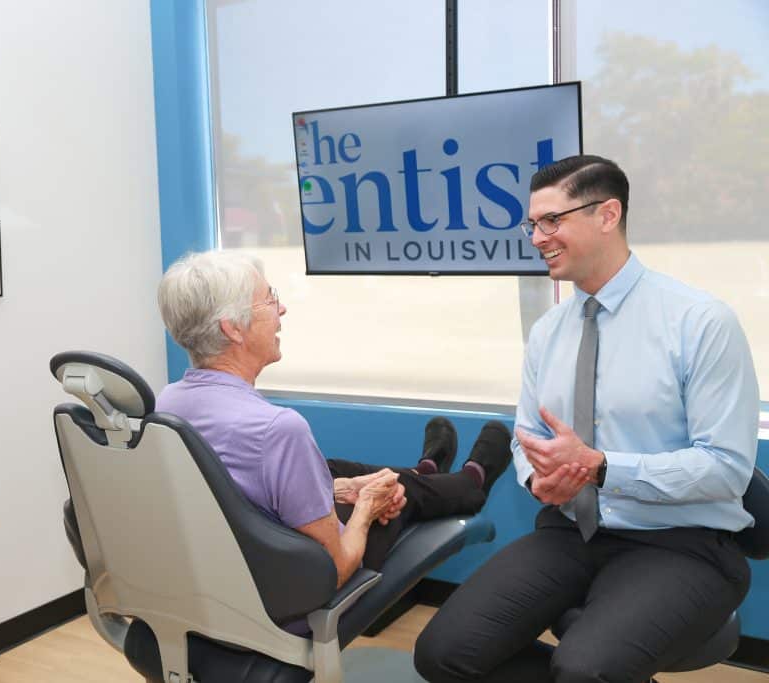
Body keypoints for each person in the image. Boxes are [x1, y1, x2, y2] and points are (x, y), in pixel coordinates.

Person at [415, 155, 759, 683]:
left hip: (682, 541)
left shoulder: (700, 321)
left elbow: (727, 469)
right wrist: (541, 479)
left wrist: (601, 467)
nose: (537, 237)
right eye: (532, 223)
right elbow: (525, 440)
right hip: (570, 532)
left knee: (584, 670)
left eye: (553, 220)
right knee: (442, 652)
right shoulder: (549, 332)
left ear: (608, 215)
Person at [154, 249, 513, 601]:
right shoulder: (278, 429)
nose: (281, 309)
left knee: (336, 470)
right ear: (232, 329)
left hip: (224, 581)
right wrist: (367, 507)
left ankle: (426, 472)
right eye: (269, 300)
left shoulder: (167, 405)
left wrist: (342, 489)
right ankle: (469, 483)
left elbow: (238, 494)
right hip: (291, 594)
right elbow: (336, 567)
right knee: (398, 488)